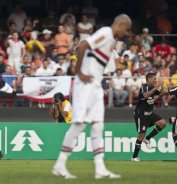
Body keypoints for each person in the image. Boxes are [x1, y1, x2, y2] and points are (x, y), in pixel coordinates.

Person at [52, 14, 132, 179]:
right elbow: (83, 46)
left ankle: (100, 168)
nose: (127, 33)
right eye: (127, 29)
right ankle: (59, 164)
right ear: (121, 25)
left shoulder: (112, 41)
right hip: (86, 85)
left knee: (98, 125)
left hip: (95, 86)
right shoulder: (106, 32)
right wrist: (79, 71)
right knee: (79, 124)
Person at [132, 73, 167, 162]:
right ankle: (134, 157)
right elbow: (145, 95)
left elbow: (164, 93)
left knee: (163, 123)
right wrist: (156, 87)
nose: (155, 80)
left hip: (150, 114)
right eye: (154, 79)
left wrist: (162, 85)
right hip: (141, 115)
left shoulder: (153, 88)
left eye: (156, 79)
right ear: (148, 79)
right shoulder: (144, 87)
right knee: (141, 135)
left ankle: (147, 138)